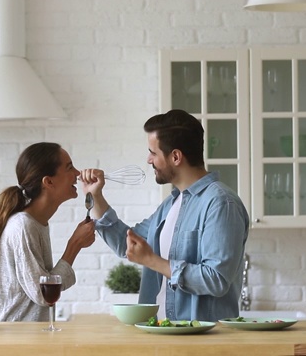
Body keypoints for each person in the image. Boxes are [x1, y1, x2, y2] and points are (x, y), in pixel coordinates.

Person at [80, 109, 249, 322]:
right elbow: (128, 244)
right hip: (161, 334)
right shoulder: (171, 204)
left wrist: (152, 260)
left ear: (175, 157)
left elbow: (216, 279)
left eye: (153, 152)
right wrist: (95, 196)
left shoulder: (221, 203)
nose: (148, 159)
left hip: (201, 343)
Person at [0, 142, 96, 322]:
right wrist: (74, 245)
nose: (78, 173)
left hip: (21, 339)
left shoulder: (35, 223)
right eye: (69, 167)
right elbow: (42, 293)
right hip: (8, 342)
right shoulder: (23, 226)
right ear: (48, 181)